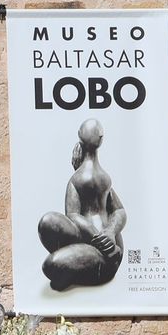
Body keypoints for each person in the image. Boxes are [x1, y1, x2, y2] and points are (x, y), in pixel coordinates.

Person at [38, 118, 127, 291]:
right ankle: (72, 263)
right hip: (101, 246)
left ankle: (70, 269)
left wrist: (109, 233)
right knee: (48, 221)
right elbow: (73, 216)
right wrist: (100, 236)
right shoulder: (97, 177)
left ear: (79, 139)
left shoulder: (93, 179)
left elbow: (119, 210)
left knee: (51, 265)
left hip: (106, 258)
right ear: (101, 139)